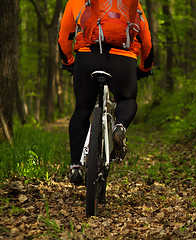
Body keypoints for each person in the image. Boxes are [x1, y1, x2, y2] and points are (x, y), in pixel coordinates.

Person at [58, 0, 153, 185]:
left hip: (87, 58)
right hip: (123, 61)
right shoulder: (132, 4)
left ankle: (76, 167)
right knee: (127, 99)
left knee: (82, 110)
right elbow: (146, 41)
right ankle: (120, 127)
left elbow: (64, 37)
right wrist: (145, 67)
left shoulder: (76, 1)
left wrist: (69, 62)